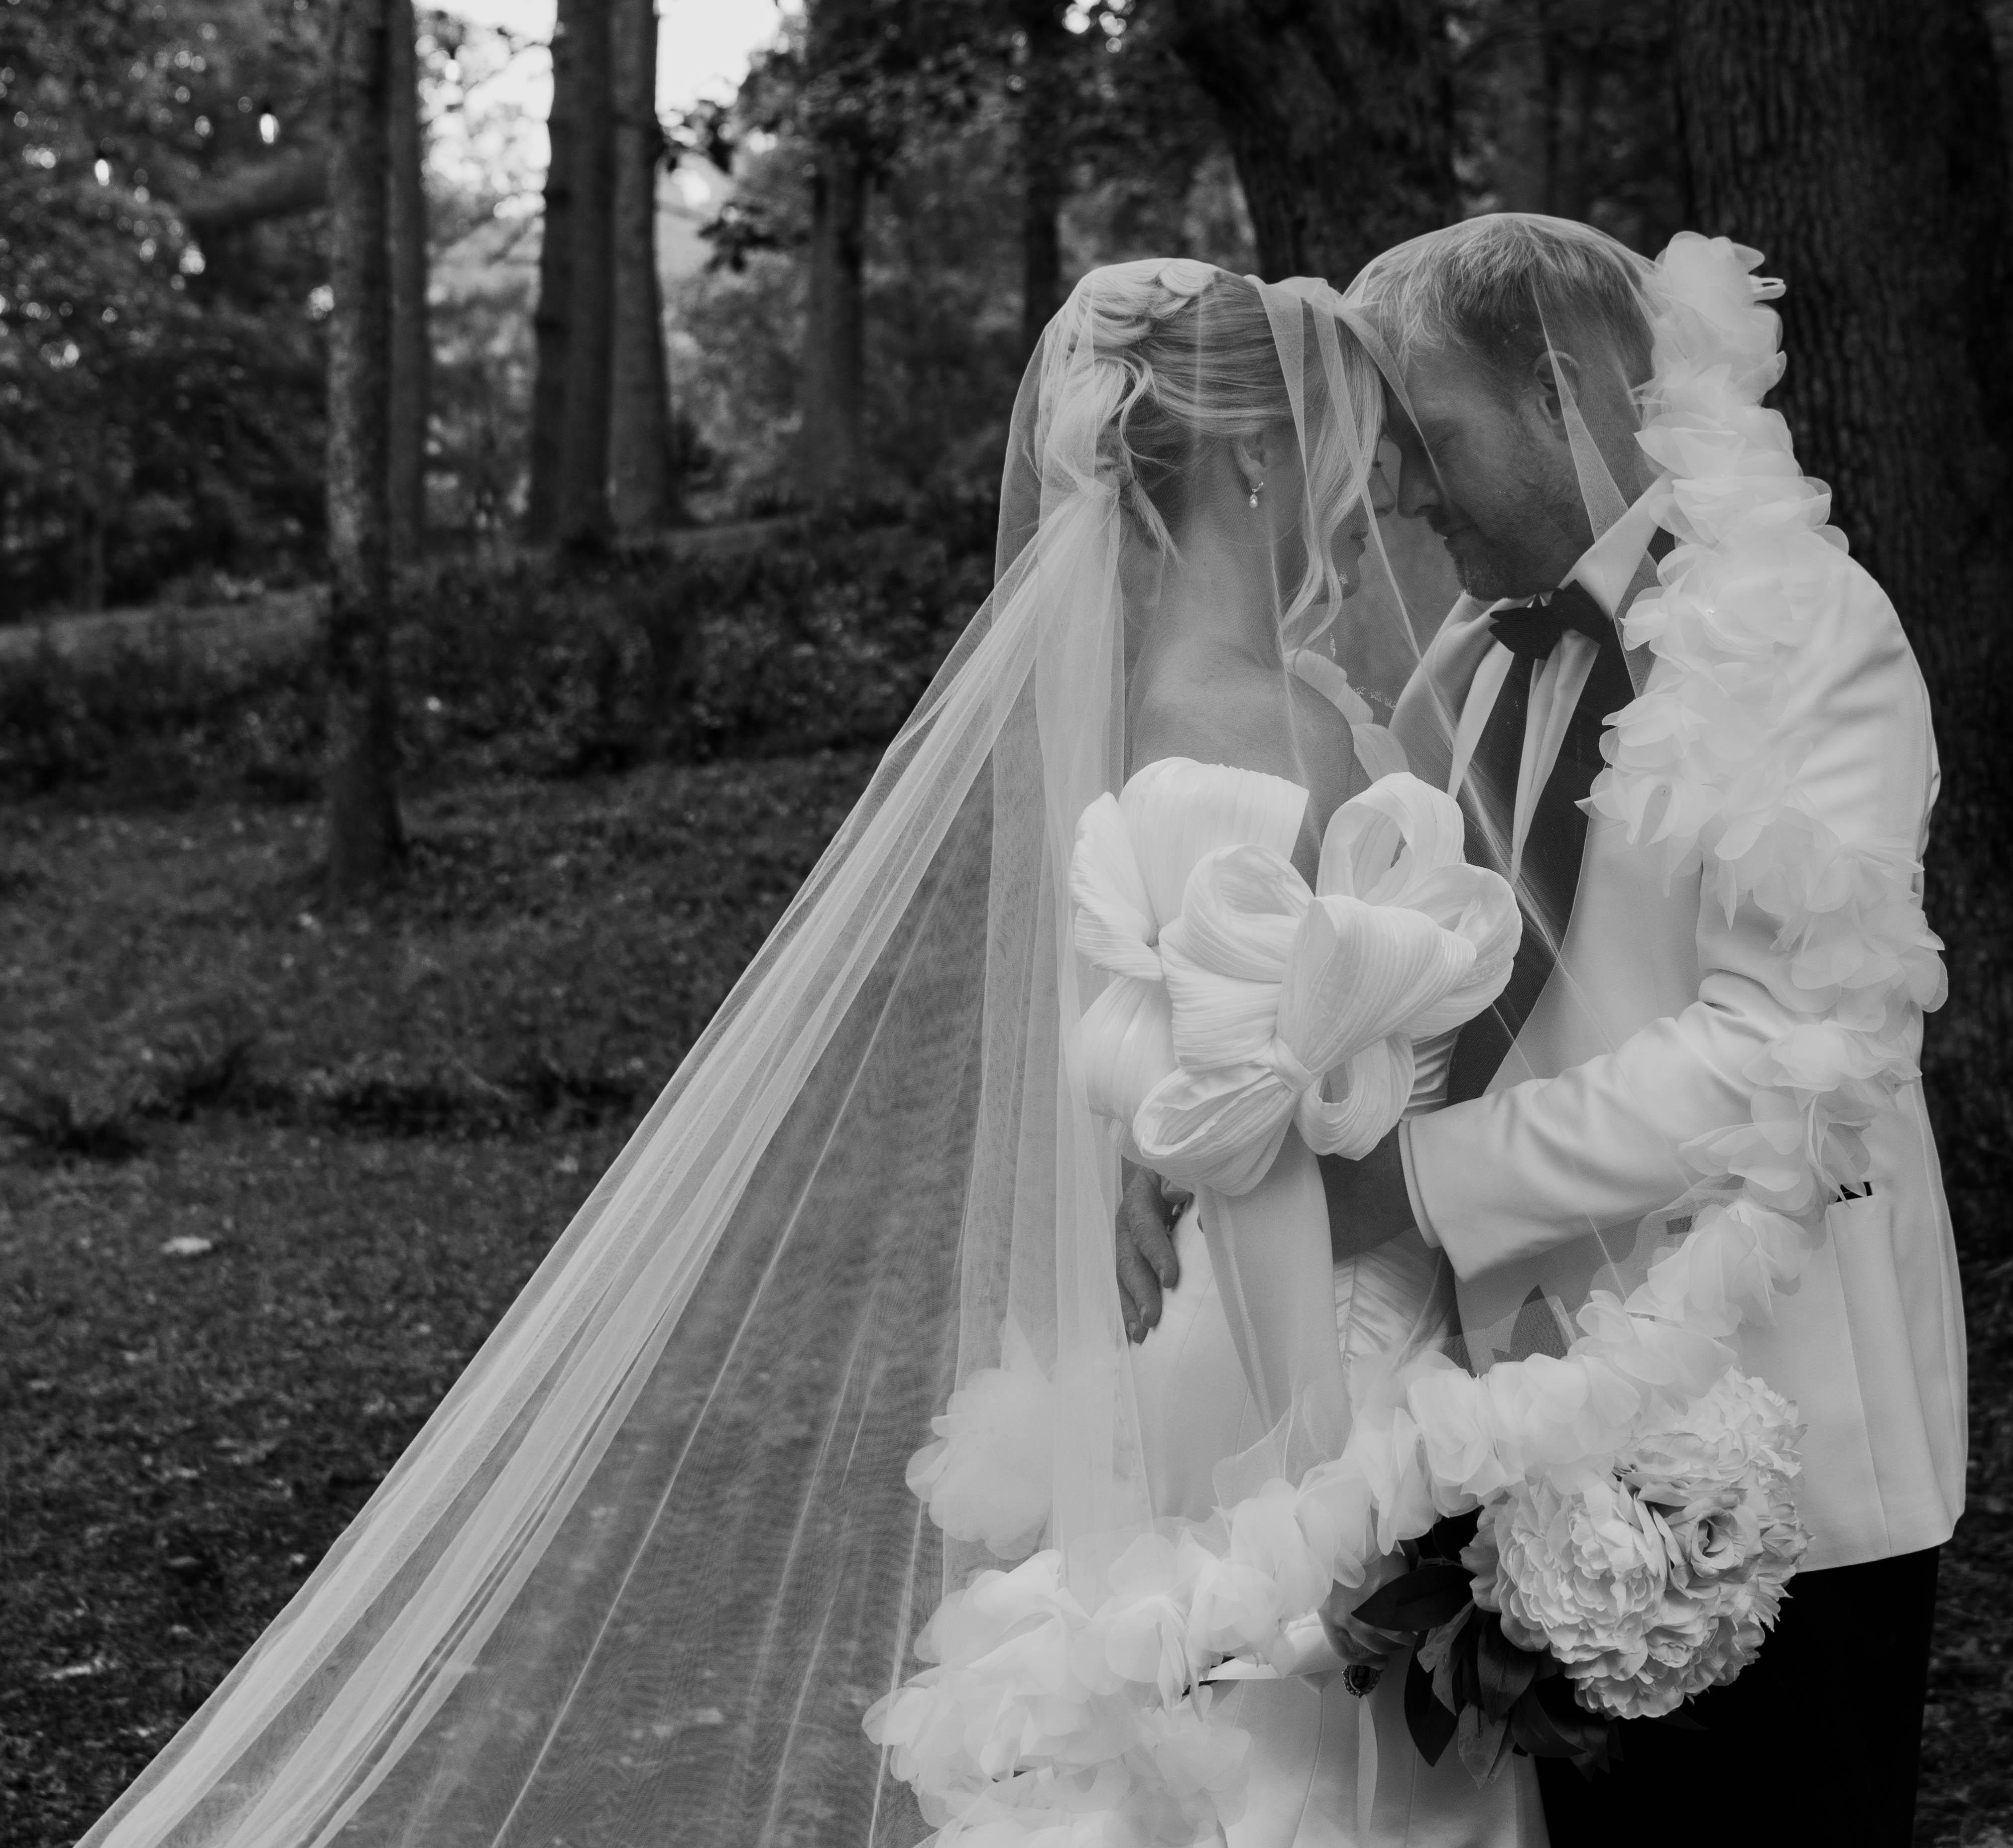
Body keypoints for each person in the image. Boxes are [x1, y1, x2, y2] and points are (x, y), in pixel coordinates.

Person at [75, 258, 1532, 1848]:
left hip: (1232, 1315)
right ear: (1254, 455)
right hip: (1310, 1340)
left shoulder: (1180, 701)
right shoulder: (1266, 724)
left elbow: (1192, 1057)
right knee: (1320, 1764)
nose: (1381, 490)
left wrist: (1150, 1157)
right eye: (1344, 440)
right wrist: (1341, 1450)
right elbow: (1277, 1118)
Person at [1119, 215, 1967, 1846]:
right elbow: (1391, 978)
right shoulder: (1472, 659)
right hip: (1527, 1437)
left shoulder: (1799, 631)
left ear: (1562, 394)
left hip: (1771, 1436)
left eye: (1431, 433)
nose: (1404, 493)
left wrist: (1414, 1187)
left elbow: (1772, 1060)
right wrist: (1191, 1130)